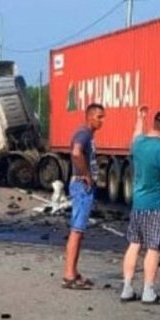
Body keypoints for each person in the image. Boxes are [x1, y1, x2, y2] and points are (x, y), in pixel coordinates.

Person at [120, 107, 160, 304]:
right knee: (153, 248)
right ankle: (148, 291)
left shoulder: (139, 144)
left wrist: (140, 118)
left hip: (138, 204)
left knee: (134, 245)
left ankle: (127, 288)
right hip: (157, 206)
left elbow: (136, 134)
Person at [62, 103, 105, 289]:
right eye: (99, 117)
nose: (102, 121)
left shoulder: (87, 134)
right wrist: (86, 174)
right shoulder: (84, 133)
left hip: (81, 186)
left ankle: (73, 271)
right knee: (77, 230)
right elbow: (76, 152)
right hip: (81, 186)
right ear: (89, 117)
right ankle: (69, 274)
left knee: (79, 231)